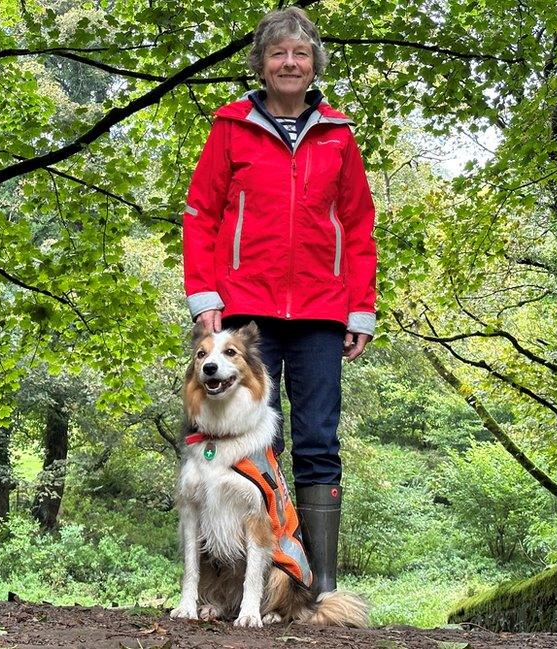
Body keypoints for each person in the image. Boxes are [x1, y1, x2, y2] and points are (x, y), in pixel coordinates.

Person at [181, 7, 377, 595]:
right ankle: (234, 581)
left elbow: (359, 224)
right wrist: (205, 296)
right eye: (277, 54)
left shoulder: (339, 134)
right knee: (250, 440)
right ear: (262, 65)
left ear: (314, 63)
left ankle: (317, 585)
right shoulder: (230, 127)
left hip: (322, 310)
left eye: (300, 53)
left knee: (319, 440)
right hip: (244, 311)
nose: (289, 63)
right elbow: (200, 215)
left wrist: (360, 308)